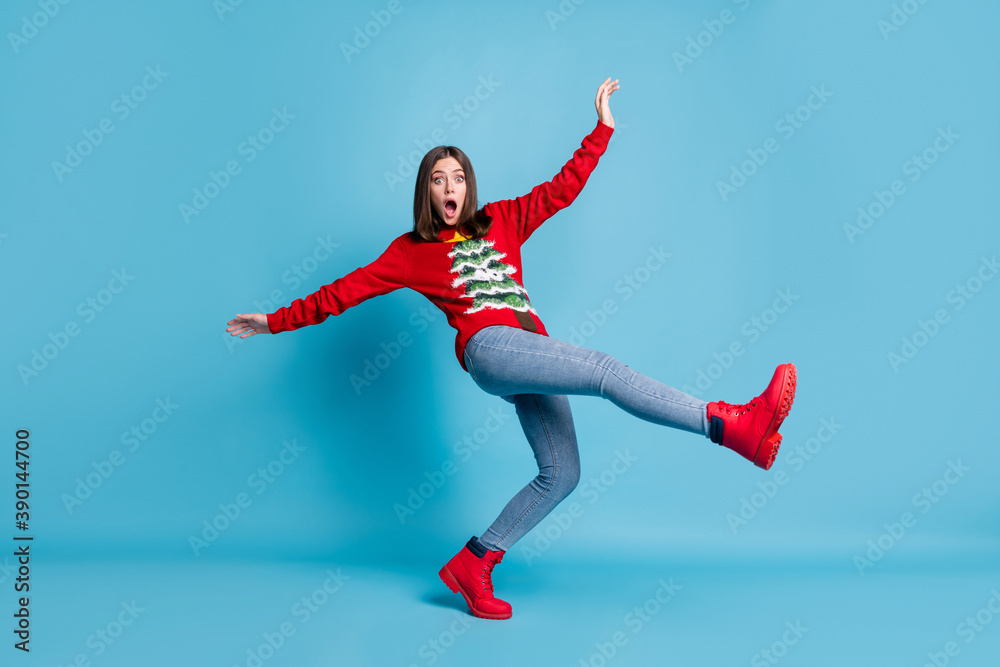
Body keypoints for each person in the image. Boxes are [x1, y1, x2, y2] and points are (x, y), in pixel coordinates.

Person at [226, 77, 797, 621]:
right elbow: (344, 291)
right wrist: (274, 322)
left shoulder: (503, 219)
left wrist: (601, 130)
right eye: (437, 180)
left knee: (562, 472)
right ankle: (729, 425)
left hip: (529, 348)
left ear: (469, 186)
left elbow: (561, 190)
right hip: (489, 347)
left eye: (457, 178)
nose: (449, 188)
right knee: (603, 370)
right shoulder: (410, 251)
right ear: (425, 191)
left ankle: (475, 562)